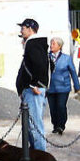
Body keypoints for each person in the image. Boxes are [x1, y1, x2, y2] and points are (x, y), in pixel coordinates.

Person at [16, 18, 51, 152]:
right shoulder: (35, 44)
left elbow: (40, 66)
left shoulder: (34, 44)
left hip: (33, 90)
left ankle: (40, 154)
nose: (21, 30)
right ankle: (34, 153)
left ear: (30, 28)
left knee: (34, 124)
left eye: (23, 28)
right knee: (31, 124)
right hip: (31, 89)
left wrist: (35, 84)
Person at [49, 36, 77, 134]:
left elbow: (73, 71)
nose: (51, 45)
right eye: (51, 43)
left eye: (53, 43)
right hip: (50, 87)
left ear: (59, 46)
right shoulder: (47, 57)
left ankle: (61, 125)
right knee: (52, 108)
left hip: (63, 87)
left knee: (61, 106)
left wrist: (76, 86)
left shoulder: (66, 58)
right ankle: (55, 125)